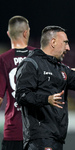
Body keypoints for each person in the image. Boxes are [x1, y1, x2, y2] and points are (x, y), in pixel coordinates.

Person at [15, 25, 75, 150]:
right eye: (65, 43)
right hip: (39, 139)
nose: (68, 48)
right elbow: (21, 96)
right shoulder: (31, 64)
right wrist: (46, 99)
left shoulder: (61, 69)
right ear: (53, 42)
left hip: (57, 139)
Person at [0, 15, 35, 150]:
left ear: (9, 34)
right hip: (37, 133)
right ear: (26, 32)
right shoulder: (39, 55)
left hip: (13, 133)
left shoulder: (3, 59)